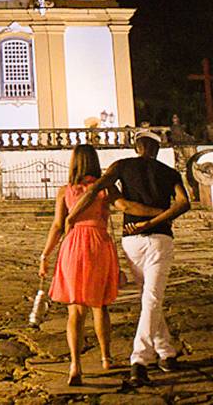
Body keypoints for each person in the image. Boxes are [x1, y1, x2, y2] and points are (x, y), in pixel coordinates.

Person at [66, 130, 191, 387]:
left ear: (137, 146)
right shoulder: (170, 173)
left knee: (149, 297)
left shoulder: (121, 165)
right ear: (157, 148)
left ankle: (166, 352)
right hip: (160, 238)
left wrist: (72, 216)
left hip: (130, 240)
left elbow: (94, 191)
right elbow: (184, 203)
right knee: (152, 297)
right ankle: (140, 360)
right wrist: (156, 220)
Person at [38, 145, 164, 385]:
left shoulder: (65, 191)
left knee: (75, 309)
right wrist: (160, 213)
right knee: (100, 305)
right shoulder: (106, 189)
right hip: (99, 244)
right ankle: (106, 357)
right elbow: (126, 206)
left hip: (73, 245)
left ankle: (75, 365)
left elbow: (57, 225)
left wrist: (45, 255)